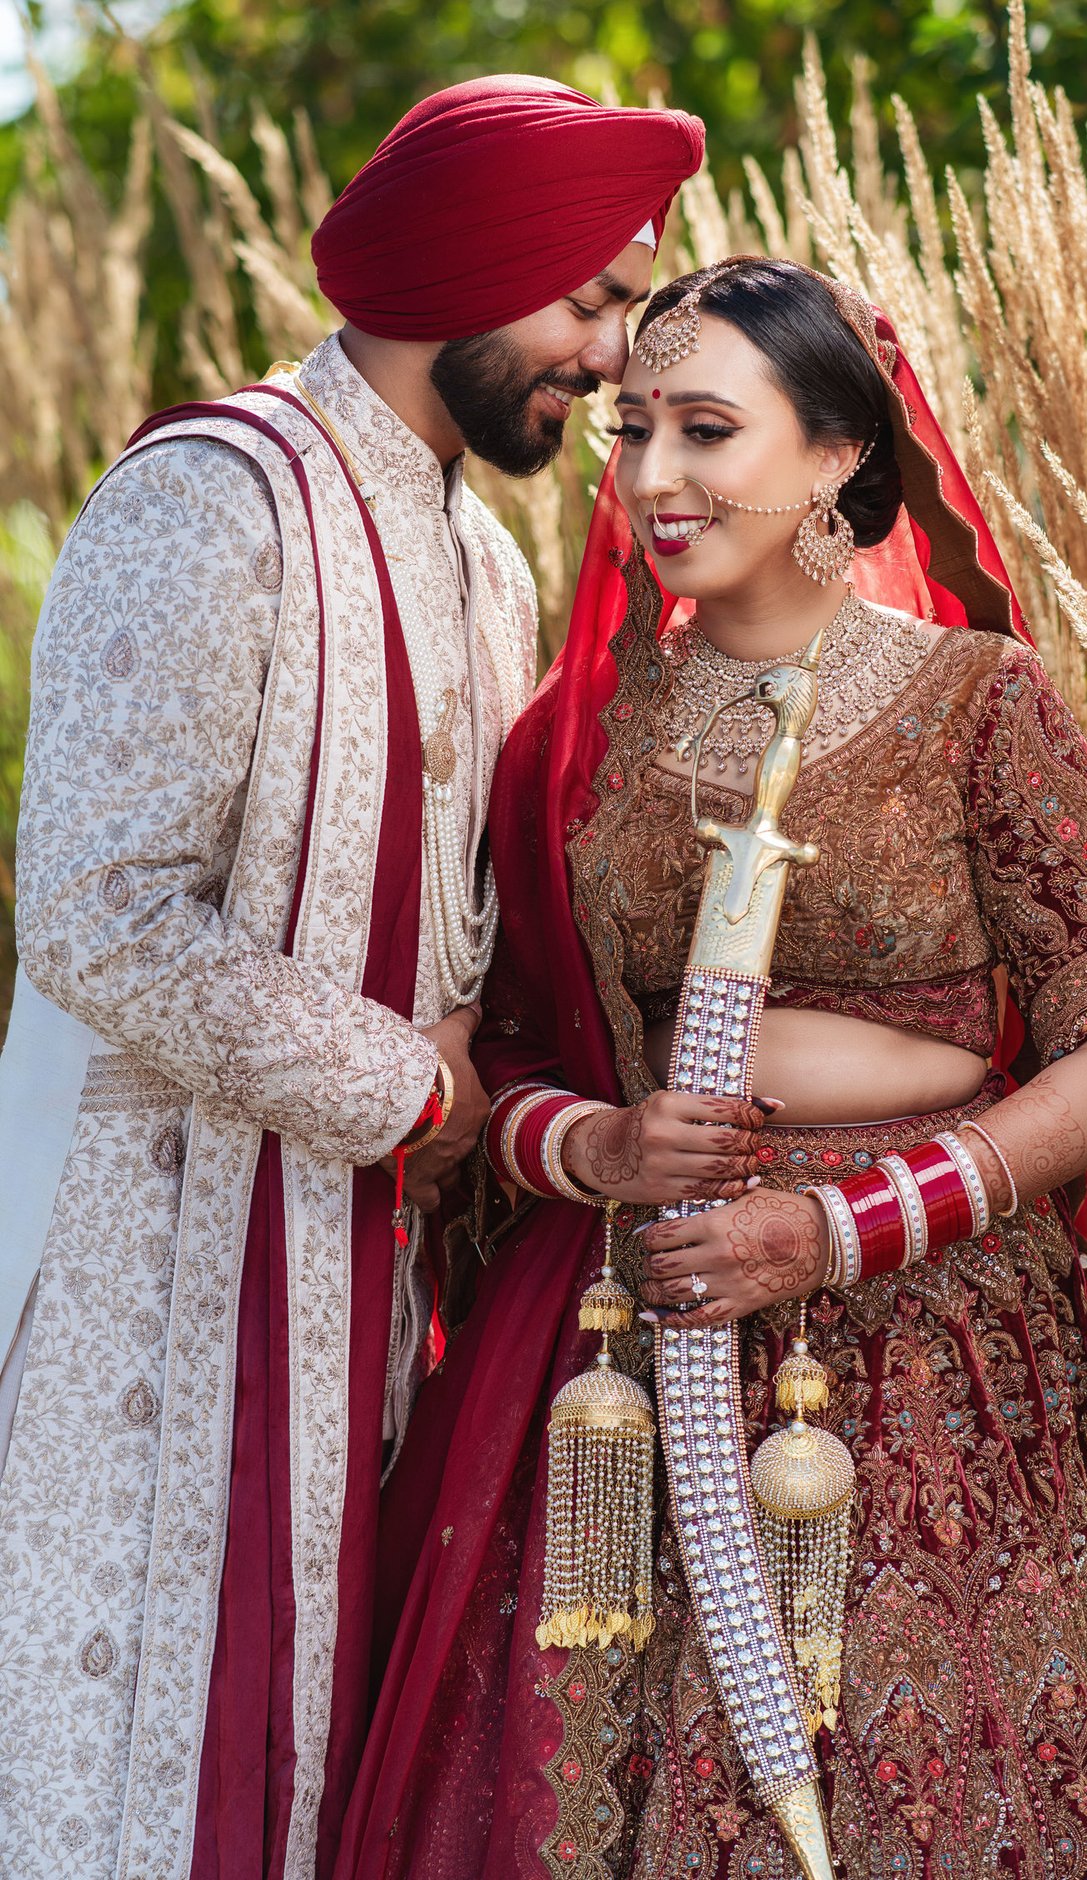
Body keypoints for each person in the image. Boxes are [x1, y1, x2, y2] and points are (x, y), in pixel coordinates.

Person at [342, 256, 1087, 1878]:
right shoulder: (577, 736)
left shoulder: (982, 702)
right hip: (635, 1346)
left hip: (929, 1353)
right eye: (634, 431)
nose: (655, 478)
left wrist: (838, 1230)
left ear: (838, 452)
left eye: (708, 429)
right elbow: (505, 1060)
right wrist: (597, 1149)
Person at [0, 77, 703, 1880]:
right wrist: (416, 1092)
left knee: (303, 1755)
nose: (610, 359)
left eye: (625, 308)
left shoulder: (480, 550)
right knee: (125, 1766)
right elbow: (94, 908)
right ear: (467, 277)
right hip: (142, 1260)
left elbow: (452, 912)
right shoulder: (208, 498)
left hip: (365, 1268)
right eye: (587, 303)